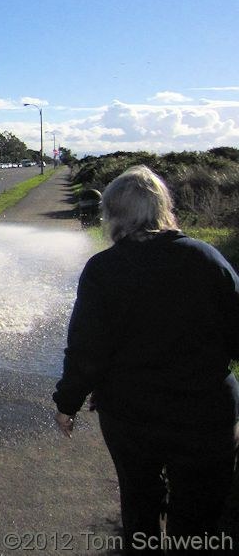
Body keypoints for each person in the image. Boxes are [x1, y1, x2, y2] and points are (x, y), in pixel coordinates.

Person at [53, 165, 239, 551]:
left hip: (132, 416)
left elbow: (87, 348)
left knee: (139, 502)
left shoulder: (104, 269)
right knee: (200, 517)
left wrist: (67, 403)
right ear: (162, 207)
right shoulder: (207, 259)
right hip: (207, 415)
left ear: (114, 213)